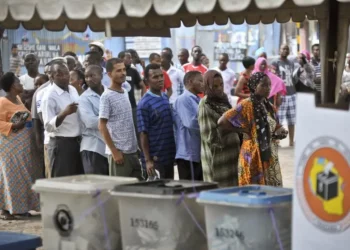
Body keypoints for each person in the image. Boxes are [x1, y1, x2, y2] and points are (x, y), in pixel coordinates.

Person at [219, 72, 287, 186]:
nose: (268, 88)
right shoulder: (246, 104)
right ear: (254, 86)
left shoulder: (269, 106)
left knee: (268, 189)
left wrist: (281, 132)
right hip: (251, 154)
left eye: (269, 85)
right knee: (252, 189)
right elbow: (222, 121)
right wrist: (242, 130)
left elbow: (276, 126)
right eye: (264, 85)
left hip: (268, 154)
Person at [0, 72, 41, 220]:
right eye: (19, 82)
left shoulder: (17, 99)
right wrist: (13, 125)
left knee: (22, 176)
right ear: (12, 86)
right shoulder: (2, 102)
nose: (21, 84)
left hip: (23, 145)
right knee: (12, 176)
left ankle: (18, 208)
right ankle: (13, 210)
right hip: (11, 145)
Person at [99, 58, 142, 179]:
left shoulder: (124, 92)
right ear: (109, 74)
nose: (123, 73)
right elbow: (102, 126)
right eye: (118, 70)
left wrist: (135, 146)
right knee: (120, 192)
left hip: (132, 152)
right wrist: (114, 152)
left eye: (124, 70)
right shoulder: (106, 96)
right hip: (120, 155)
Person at [41, 63, 84, 177]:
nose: (64, 76)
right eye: (59, 74)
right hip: (61, 144)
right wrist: (64, 113)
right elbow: (48, 126)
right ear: (52, 77)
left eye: (66, 73)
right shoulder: (49, 96)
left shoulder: (72, 89)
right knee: (62, 182)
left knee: (77, 181)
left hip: (77, 142)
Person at [198, 70, 240, 187]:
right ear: (208, 86)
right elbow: (208, 133)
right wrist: (231, 128)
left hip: (231, 154)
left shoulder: (224, 99)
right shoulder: (205, 104)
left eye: (221, 85)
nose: (219, 88)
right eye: (215, 86)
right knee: (219, 190)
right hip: (217, 157)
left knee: (233, 188)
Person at [137, 64, 176, 179]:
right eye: (155, 77)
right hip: (155, 159)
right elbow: (143, 134)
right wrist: (148, 160)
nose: (160, 79)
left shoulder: (164, 97)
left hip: (168, 156)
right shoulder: (144, 104)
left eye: (161, 76)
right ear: (147, 81)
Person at [173, 71, 204, 181]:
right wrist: (209, 127)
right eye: (200, 81)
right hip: (187, 153)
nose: (203, 83)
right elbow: (191, 123)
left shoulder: (198, 100)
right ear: (190, 82)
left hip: (197, 152)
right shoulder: (183, 99)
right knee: (188, 190)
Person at [79, 65, 108, 175]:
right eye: (86, 77)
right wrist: (113, 120)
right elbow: (90, 122)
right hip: (93, 147)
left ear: (101, 75)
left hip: (109, 147)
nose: (89, 79)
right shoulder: (84, 98)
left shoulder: (110, 93)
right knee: (96, 187)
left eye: (92, 75)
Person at [272, 44, 296, 147]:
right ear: (279, 50)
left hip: (292, 94)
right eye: (283, 49)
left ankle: (291, 141)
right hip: (281, 95)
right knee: (279, 119)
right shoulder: (275, 62)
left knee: (292, 120)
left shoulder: (291, 62)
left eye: (287, 49)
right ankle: (277, 141)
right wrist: (278, 94)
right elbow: (274, 79)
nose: (285, 51)